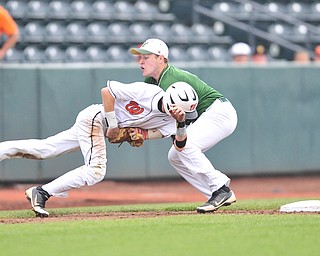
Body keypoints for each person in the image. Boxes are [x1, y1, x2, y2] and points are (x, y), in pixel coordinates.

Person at [0, 80, 192, 217]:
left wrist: (138, 134)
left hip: (99, 126)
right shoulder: (149, 92)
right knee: (95, 171)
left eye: (184, 112)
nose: (180, 113)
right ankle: (41, 192)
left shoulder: (172, 121)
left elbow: (179, 144)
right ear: (171, 99)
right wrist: (114, 125)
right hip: (95, 118)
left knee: (45, 149)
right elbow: (107, 92)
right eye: (180, 109)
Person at [130, 38, 238, 213]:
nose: (141, 61)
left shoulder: (170, 80)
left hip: (218, 112)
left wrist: (144, 134)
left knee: (185, 145)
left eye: (146, 57)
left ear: (161, 58)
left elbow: (174, 125)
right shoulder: (151, 82)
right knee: (174, 155)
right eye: (139, 57)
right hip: (206, 116)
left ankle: (220, 188)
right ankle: (216, 193)